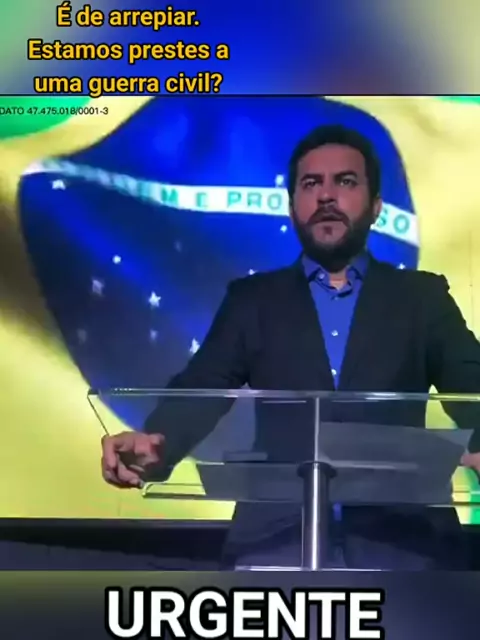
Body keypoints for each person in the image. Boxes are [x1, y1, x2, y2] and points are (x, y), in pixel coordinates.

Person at [102, 124, 480, 570]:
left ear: (376, 206)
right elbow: (201, 388)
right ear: (292, 205)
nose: (326, 196)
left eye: (345, 182)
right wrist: (157, 441)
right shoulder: (252, 301)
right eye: (311, 183)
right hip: (276, 542)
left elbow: (471, 382)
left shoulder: (422, 298)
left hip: (402, 544)